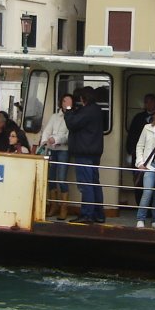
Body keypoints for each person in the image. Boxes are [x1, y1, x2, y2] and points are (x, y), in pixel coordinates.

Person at [65, 86, 106, 223]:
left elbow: (72, 123)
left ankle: (87, 215)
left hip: (84, 152)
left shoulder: (87, 111)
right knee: (94, 183)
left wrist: (69, 109)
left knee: (86, 185)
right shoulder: (97, 110)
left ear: (84, 98)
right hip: (94, 153)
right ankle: (99, 214)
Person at [41, 93, 72, 218]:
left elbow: (68, 136)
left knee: (61, 178)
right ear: (61, 103)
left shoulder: (72, 117)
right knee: (51, 177)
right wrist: (44, 141)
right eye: (65, 101)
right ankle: (53, 206)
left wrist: (55, 139)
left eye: (70, 102)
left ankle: (64, 208)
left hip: (64, 150)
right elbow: (47, 130)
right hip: (52, 150)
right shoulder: (54, 116)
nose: (67, 104)